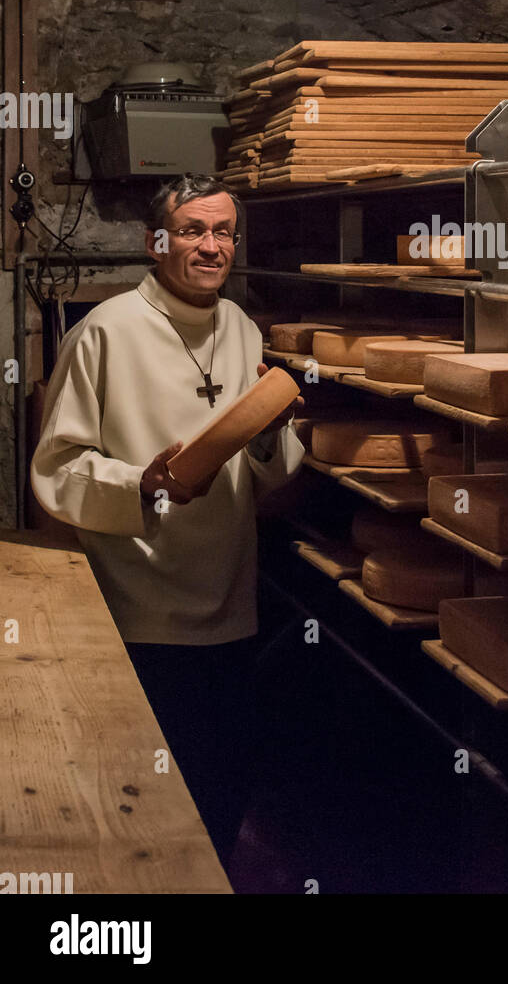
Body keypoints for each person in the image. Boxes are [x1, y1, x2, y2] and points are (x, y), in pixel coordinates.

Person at [30, 173, 305, 867]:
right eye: (192, 231)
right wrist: (139, 482)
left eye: (223, 233)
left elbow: (268, 467)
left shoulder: (242, 328)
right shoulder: (106, 333)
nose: (211, 247)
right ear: (157, 243)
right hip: (140, 610)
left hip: (231, 605)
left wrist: (272, 433)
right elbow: (56, 470)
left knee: (222, 788)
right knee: (142, 801)